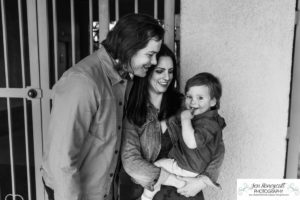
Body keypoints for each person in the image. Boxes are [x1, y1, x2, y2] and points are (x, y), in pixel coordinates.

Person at [40, 13, 164, 200]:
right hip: (73, 192)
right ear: (129, 48)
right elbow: (61, 160)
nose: (154, 62)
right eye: (150, 54)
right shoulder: (82, 82)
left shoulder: (125, 78)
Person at [121, 45, 225, 200]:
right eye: (159, 71)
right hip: (149, 192)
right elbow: (130, 160)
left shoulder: (186, 104)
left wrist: (202, 182)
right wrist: (176, 181)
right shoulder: (134, 111)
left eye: (170, 72)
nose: (167, 77)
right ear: (147, 72)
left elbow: (217, 147)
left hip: (187, 193)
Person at [141, 72, 226, 200]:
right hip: (186, 168)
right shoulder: (195, 114)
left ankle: (147, 196)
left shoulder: (208, 122)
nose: (193, 102)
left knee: (157, 167)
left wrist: (185, 120)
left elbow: (207, 148)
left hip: (188, 170)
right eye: (189, 96)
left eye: (200, 98)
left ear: (213, 101)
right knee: (157, 168)